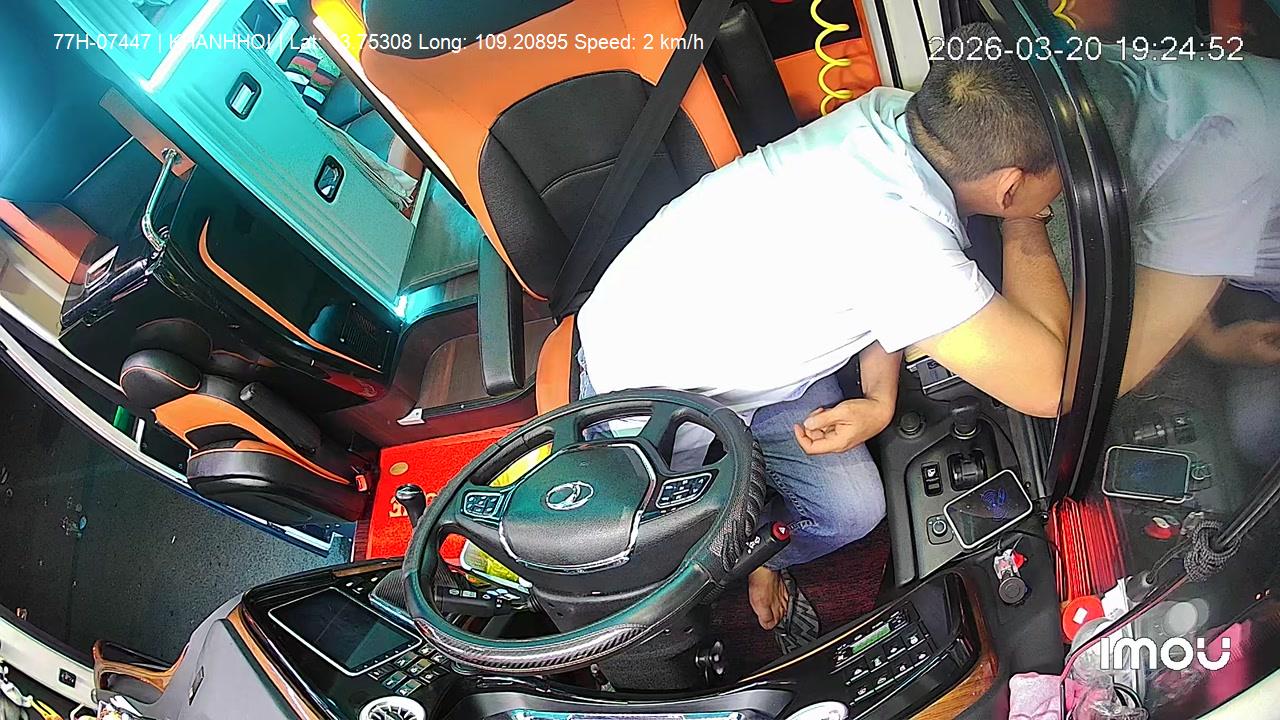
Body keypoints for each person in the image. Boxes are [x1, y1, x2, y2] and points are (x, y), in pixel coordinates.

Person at [576, 23, 1070, 631]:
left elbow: (882, 288)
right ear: (1010, 185)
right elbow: (1054, 388)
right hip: (650, 410)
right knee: (697, 569)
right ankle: (746, 554)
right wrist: (1027, 220)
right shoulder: (900, 239)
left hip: (731, 341)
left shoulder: (892, 116)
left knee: (853, 508)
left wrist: (880, 399)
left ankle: (767, 549)